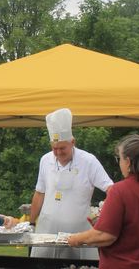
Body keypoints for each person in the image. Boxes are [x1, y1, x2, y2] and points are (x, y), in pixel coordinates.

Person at [68, 134, 139, 268]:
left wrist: (76, 239)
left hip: (130, 264)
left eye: (119, 159)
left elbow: (105, 235)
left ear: (128, 162)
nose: (119, 163)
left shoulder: (119, 191)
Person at [29, 108, 113, 260]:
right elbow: (39, 192)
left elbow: (111, 189)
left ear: (72, 142)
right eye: (54, 148)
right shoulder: (45, 160)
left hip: (79, 232)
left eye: (63, 148)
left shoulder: (88, 161)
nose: (58, 152)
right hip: (47, 230)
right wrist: (31, 223)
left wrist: (103, 214)